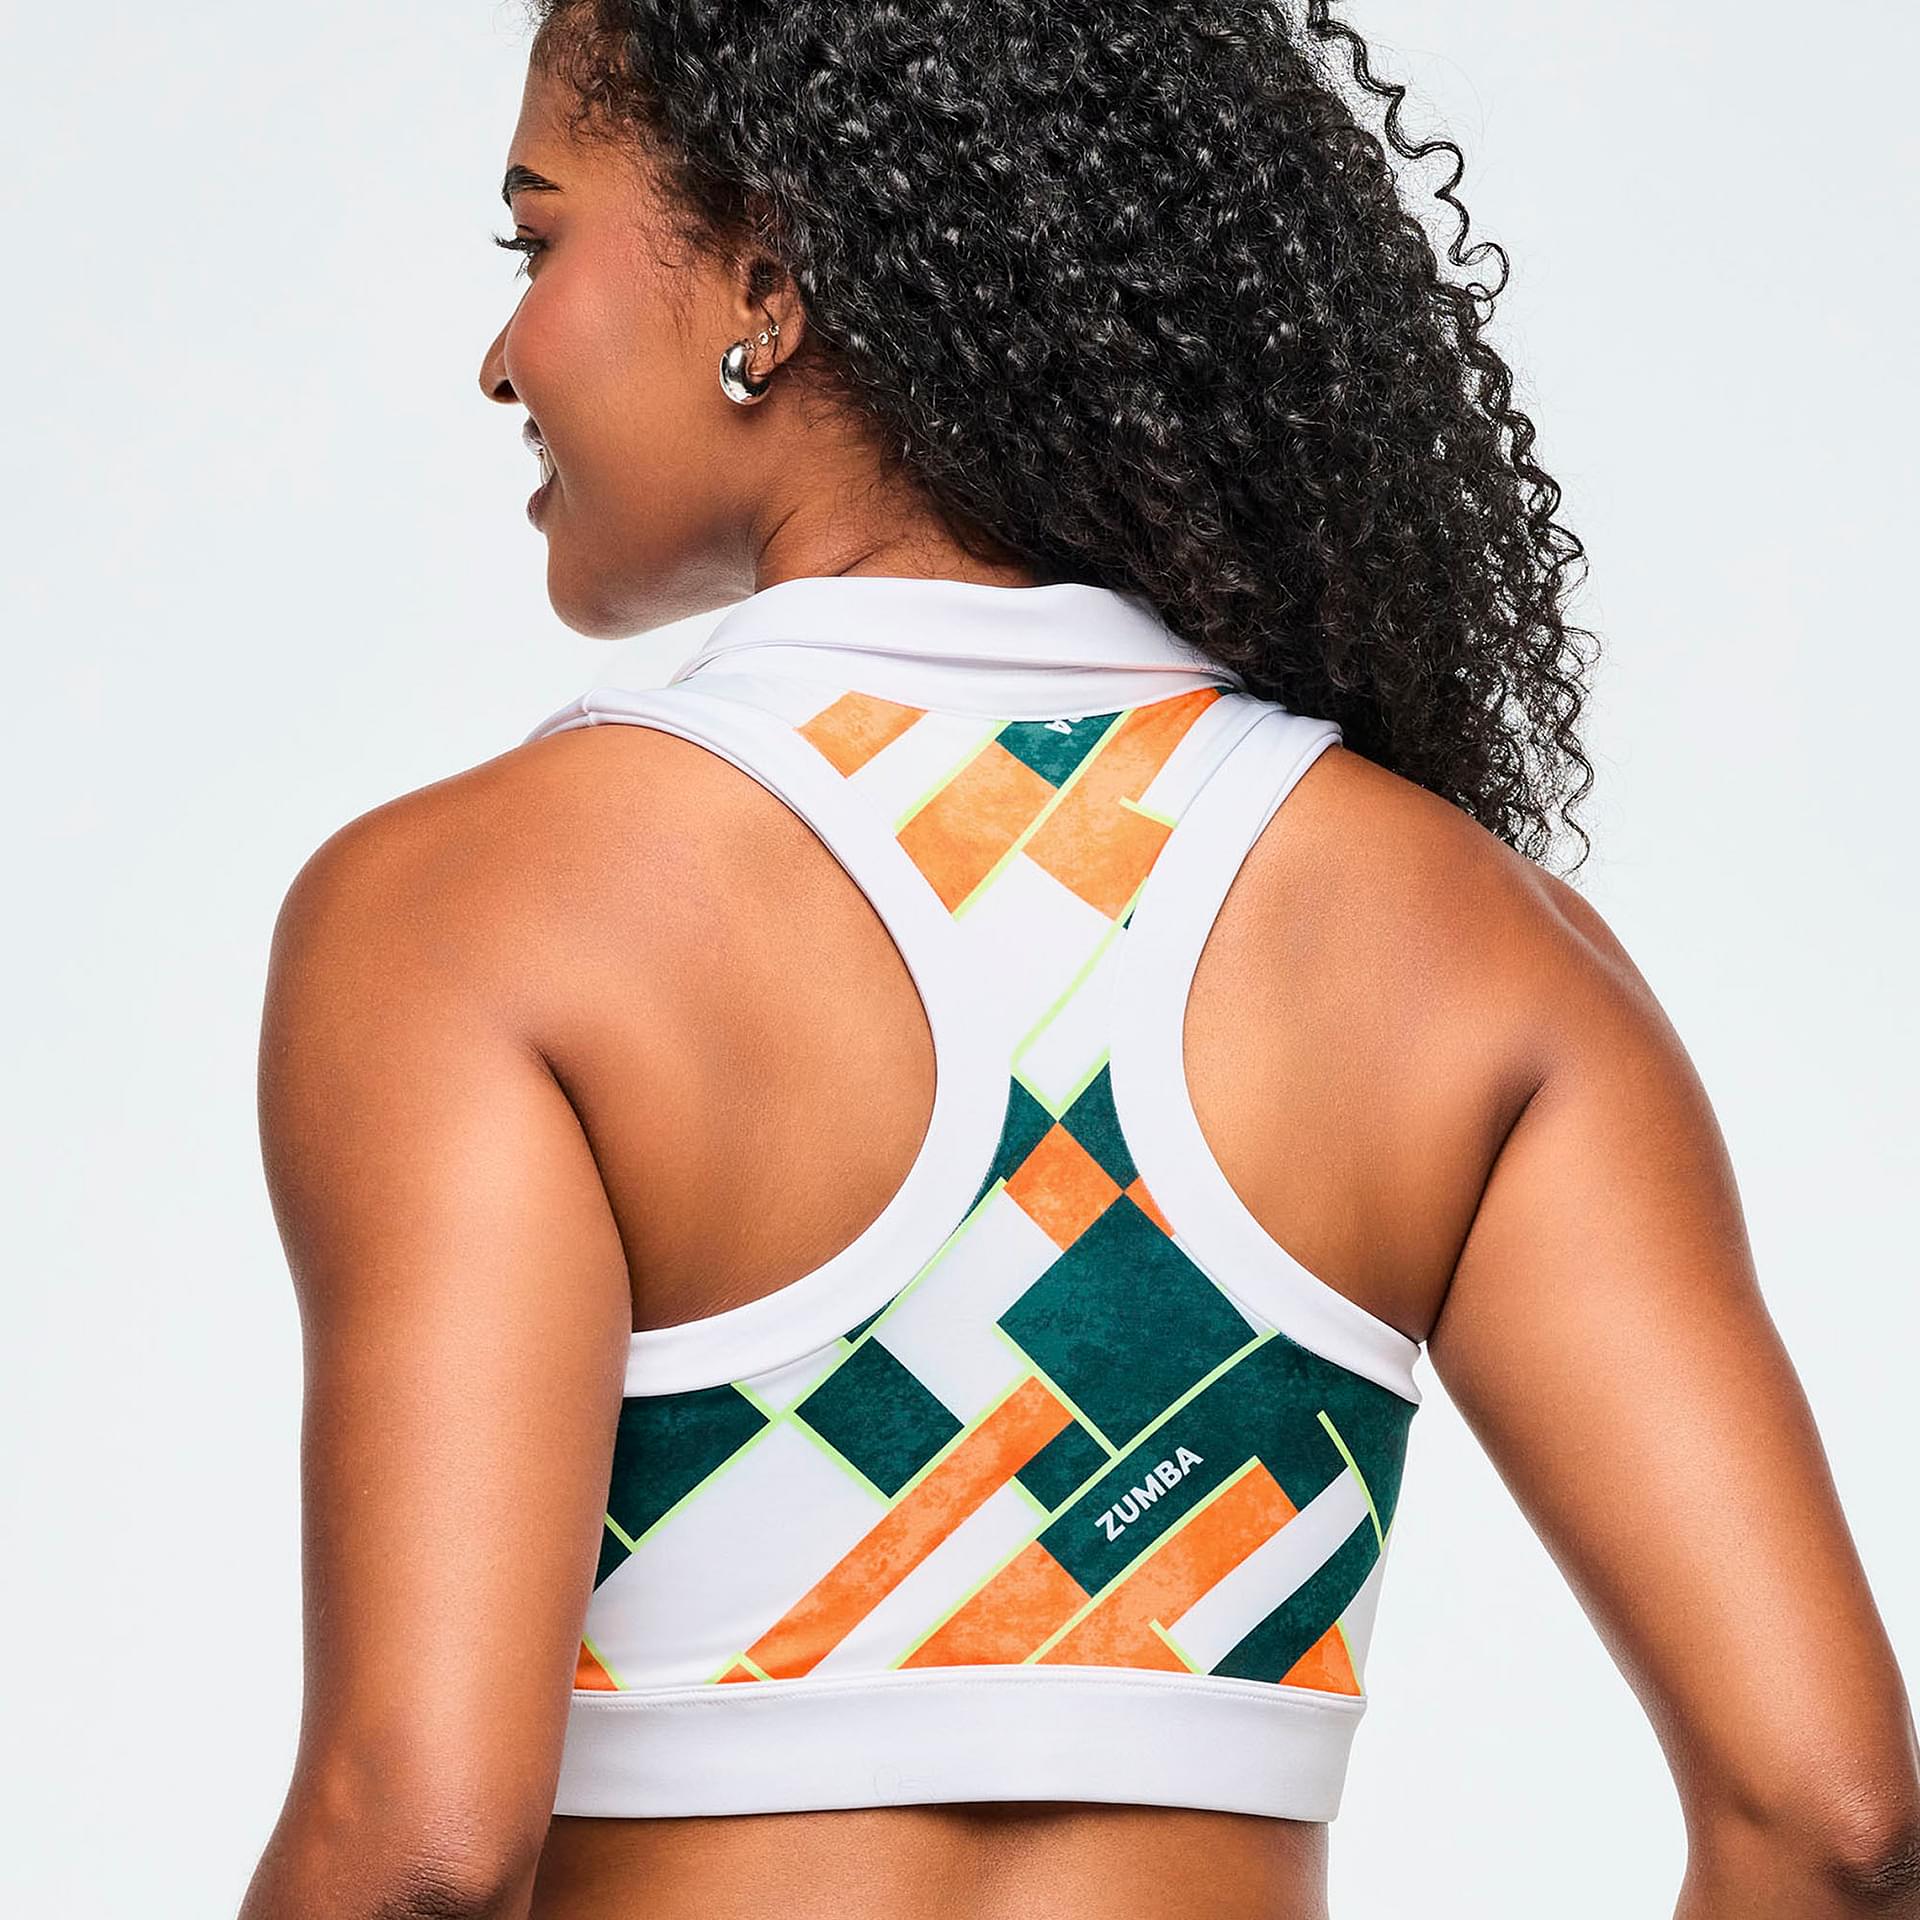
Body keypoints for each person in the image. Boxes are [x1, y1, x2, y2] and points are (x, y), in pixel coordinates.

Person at [238, 5, 1920, 1918]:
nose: (502, 354)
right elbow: (1837, 1827)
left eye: (534, 238)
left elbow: (420, 1855)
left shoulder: (467, 913)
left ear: (769, 282)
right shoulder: (1478, 948)